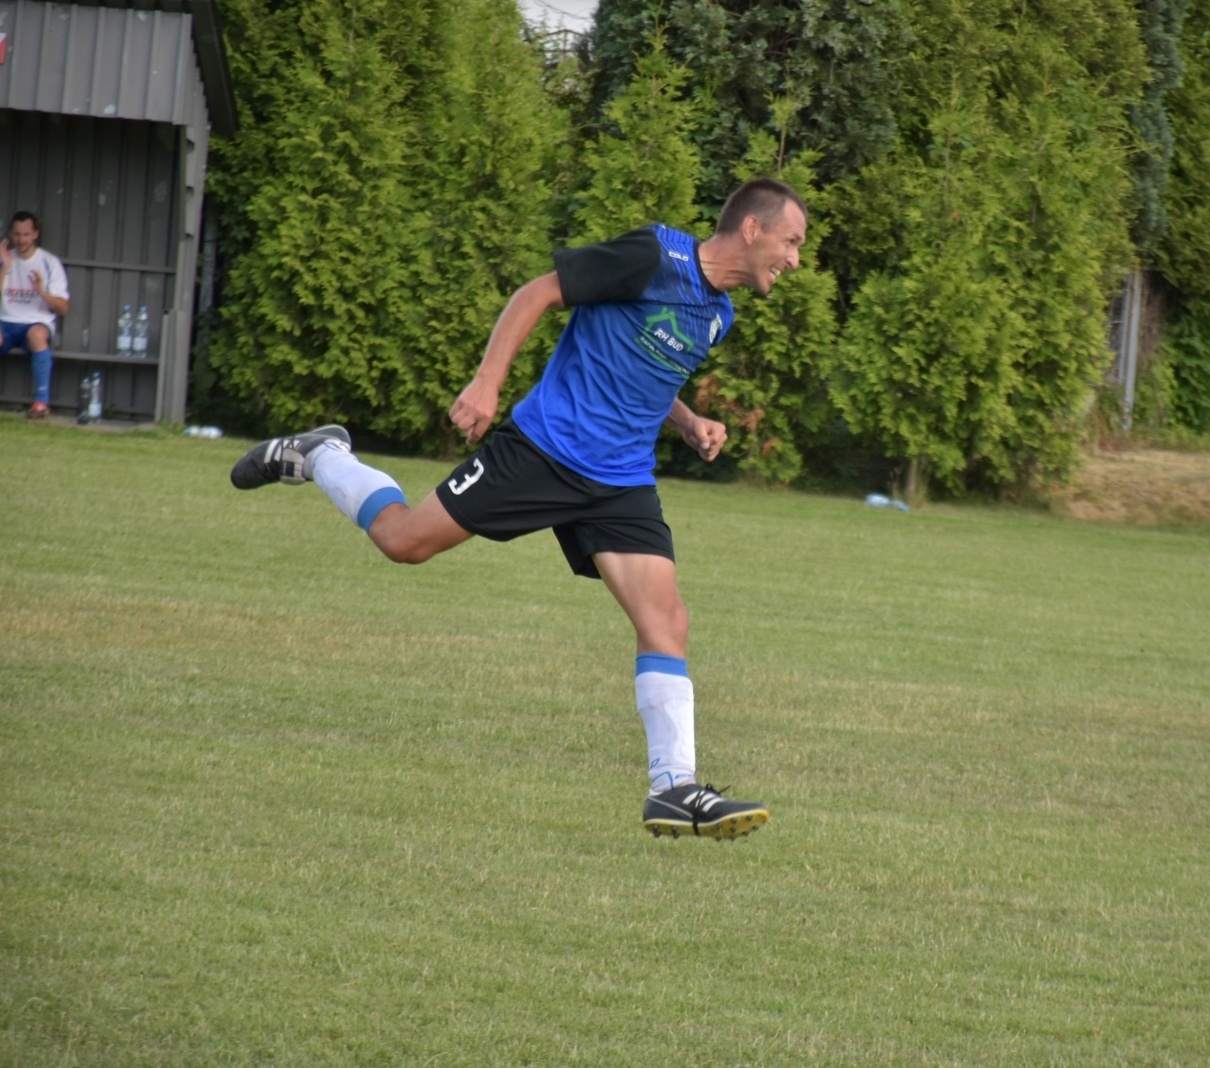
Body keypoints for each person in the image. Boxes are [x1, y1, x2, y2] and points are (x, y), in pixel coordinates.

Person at [231, 178, 809, 839]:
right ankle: (321, 456)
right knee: (404, 541)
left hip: (619, 481)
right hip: (543, 449)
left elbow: (642, 365)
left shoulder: (718, 314)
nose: (795, 260)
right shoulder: (653, 256)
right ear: (754, 230)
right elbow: (538, 294)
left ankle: (673, 789)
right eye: (792, 242)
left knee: (667, 620)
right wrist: (487, 381)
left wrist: (684, 421)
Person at [1, 211, 71, 420]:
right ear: (11, 235)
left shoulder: (50, 263)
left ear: (35, 234)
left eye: (26, 234)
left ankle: (41, 403)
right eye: (17, 234)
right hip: (5, 321)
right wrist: (5, 269)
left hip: (35, 322)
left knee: (37, 335)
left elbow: (63, 308)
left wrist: (42, 291)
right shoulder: (4, 257)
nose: (21, 240)